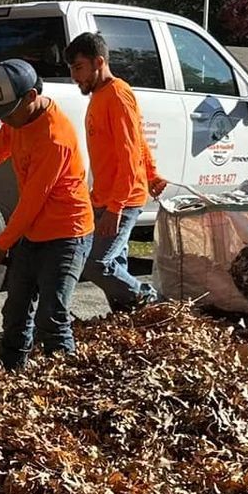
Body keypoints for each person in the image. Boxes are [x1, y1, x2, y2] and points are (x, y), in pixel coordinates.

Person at [0, 59, 94, 371]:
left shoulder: (54, 137)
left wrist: (1, 246)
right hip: (33, 233)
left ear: (31, 96)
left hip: (68, 235)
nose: (6, 121)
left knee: (51, 316)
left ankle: (63, 385)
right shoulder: (18, 121)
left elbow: (32, 203)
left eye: (9, 112)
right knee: (15, 312)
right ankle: (12, 373)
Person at [63, 32, 166, 311]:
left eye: (79, 68)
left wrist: (116, 207)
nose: (75, 77)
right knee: (115, 263)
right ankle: (127, 318)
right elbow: (139, 140)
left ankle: (152, 300)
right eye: (72, 69)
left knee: (97, 264)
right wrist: (153, 174)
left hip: (123, 199)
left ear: (99, 61)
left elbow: (129, 153)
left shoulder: (118, 95)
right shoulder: (99, 95)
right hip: (104, 197)